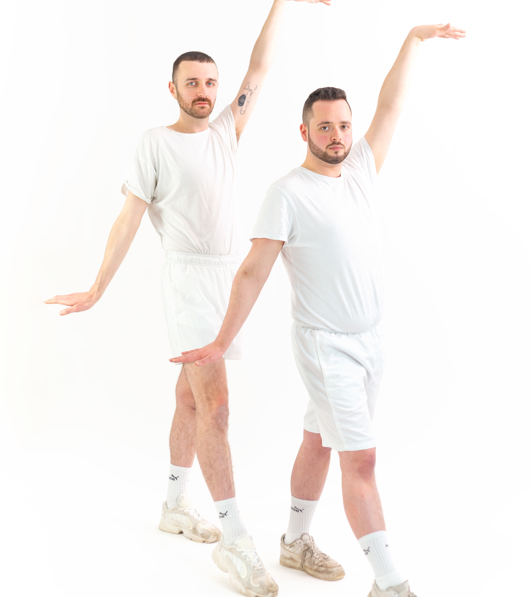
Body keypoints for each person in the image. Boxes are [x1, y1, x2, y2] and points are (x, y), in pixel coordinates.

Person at [45, 2, 332, 596]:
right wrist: (99, 287)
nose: (203, 92)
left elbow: (259, 71)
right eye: (192, 83)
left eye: (209, 83)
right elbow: (127, 221)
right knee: (218, 409)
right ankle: (235, 541)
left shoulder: (227, 130)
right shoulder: (154, 144)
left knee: (190, 400)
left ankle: (174, 505)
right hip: (187, 282)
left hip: (227, 281)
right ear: (172, 88)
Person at [172, 22, 466, 597]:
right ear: (304, 130)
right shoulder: (286, 193)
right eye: (325, 126)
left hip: (371, 341)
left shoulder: (359, 170)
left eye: (344, 126)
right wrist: (219, 341)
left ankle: (294, 542)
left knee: (319, 440)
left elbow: (392, 104)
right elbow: (254, 271)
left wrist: (412, 39)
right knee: (362, 461)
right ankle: (390, 581)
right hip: (325, 345)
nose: (337, 135)